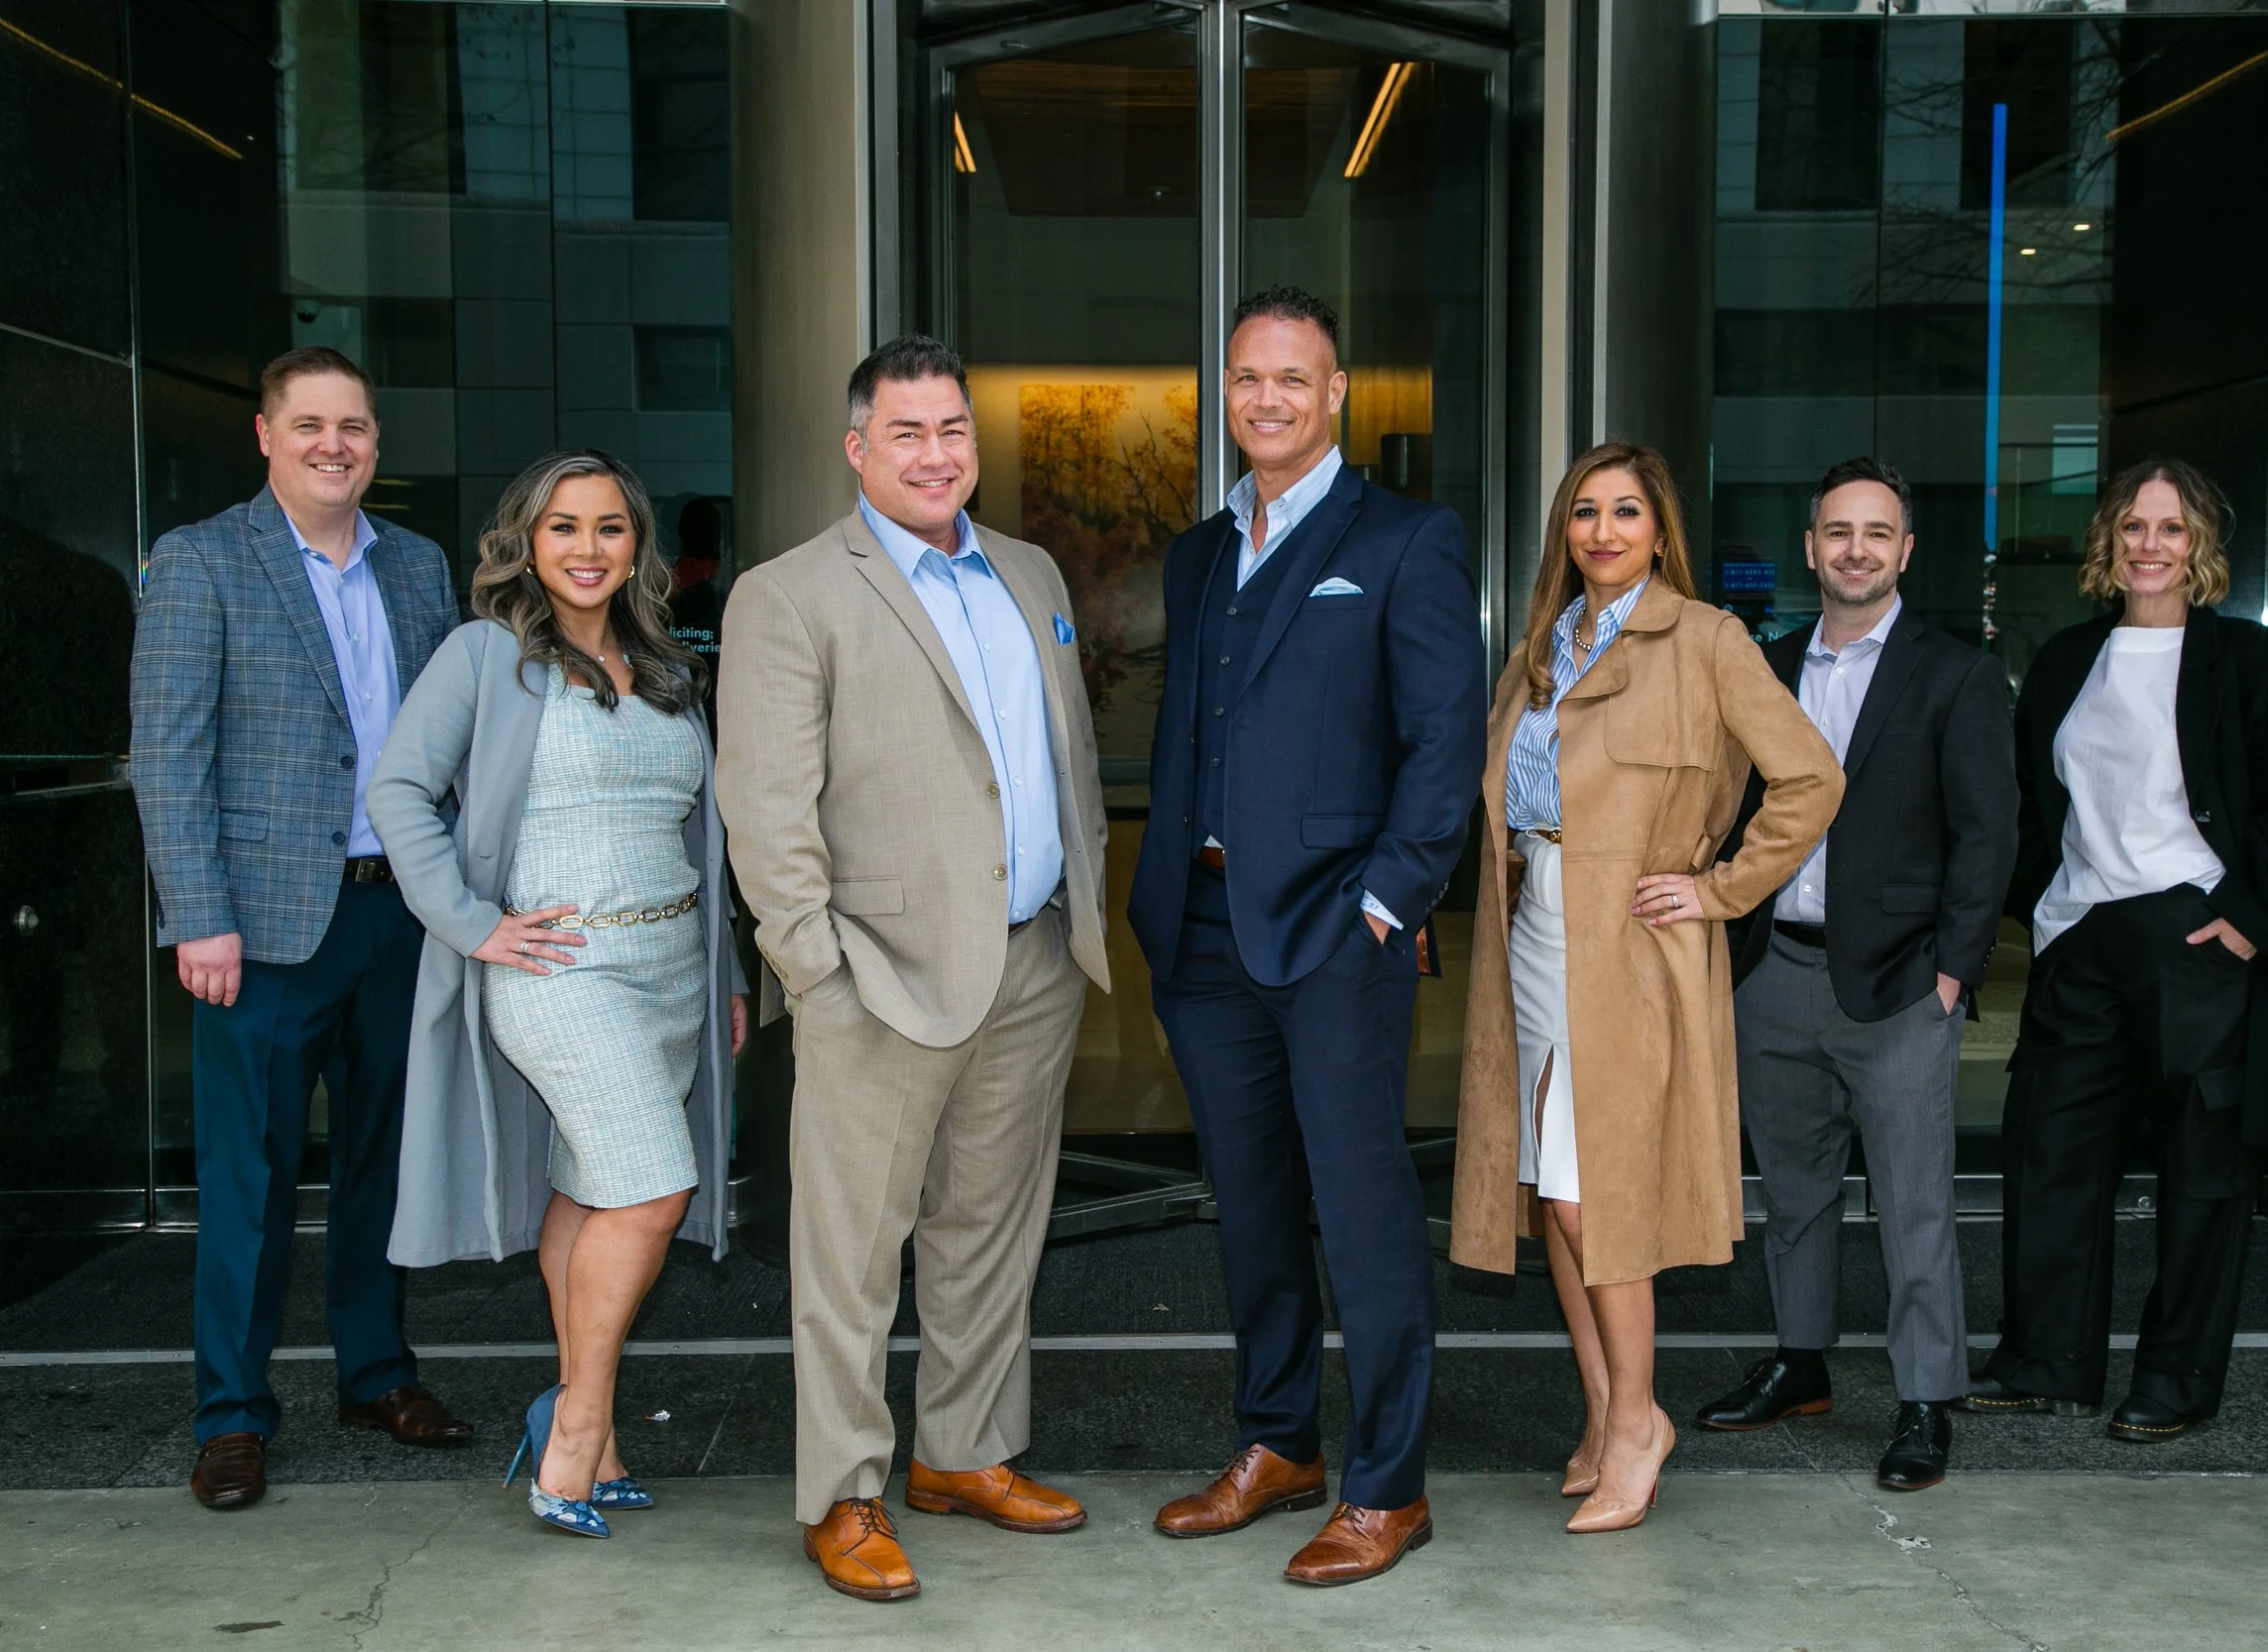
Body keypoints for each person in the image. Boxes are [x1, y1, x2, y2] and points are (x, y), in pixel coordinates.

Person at [717, 335, 1111, 1601]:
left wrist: (1076, 909)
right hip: (876, 977)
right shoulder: (788, 594)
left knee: (991, 1228)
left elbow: (1060, 758)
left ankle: (965, 1452)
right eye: (907, 432)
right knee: (851, 1253)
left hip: (1034, 959)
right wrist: (815, 972)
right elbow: (765, 809)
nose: (935, 453)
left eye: (951, 430)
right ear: (856, 449)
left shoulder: (1031, 568)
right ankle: (843, 1490)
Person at [1130, 286, 1487, 1587]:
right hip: (1208, 931)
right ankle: (1277, 1440)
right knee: (1255, 1209)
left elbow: (1446, 743)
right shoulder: (1199, 551)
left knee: (1363, 1209)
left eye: (1294, 377)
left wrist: (1388, 900)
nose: (1267, 398)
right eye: (1245, 379)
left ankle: (1387, 1484)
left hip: (1340, 928)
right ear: (1223, 394)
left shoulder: (1405, 537)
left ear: (1337, 393)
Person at [1449, 440, 1841, 1533]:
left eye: (1626, 511)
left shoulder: (1707, 639)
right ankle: (1602, 1411)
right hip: (1535, 934)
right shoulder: (1540, 647)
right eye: (1584, 511)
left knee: (1591, 1197)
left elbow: (1811, 776)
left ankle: (1638, 1421)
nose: (1604, 530)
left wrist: (1720, 889)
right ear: (1563, 532)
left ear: (1661, 529)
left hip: (1628, 945)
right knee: (1551, 1193)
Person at [368, 450, 747, 1538]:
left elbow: (696, 836)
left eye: (610, 528)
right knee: (651, 1186)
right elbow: (397, 789)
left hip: (669, 969)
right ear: (526, 541)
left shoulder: (667, 664)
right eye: (564, 527)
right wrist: (474, 922)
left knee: (588, 1196)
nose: (587, 549)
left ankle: (590, 1424)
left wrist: (722, 973)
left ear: (640, 546)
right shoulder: (485, 655)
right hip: (557, 966)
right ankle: (577, 1424)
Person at [129, 346, 473, 1512]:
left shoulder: (420, 566)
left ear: (377, 442)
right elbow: (170, 756)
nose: (338, 443)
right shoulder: (200, 561)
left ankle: (377, 1372)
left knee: (384, 1163)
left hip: (398, 917)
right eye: (313, 423)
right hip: (263, 932)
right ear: (266, 434)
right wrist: (198, 916)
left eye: (357, 426)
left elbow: (451, 748)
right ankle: (231, 1413)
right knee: (250, 1180)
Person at [1964, 458, 2268, 1442]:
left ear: (2201, 545)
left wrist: (2246, 922)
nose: (2148, 544)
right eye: (2132, 525)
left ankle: (2176, 1374)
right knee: (2048, 1142)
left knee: (2202, 1165)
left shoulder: (2251, 663)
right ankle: (2047, 1356)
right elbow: (2030, 799)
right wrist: (2040, 897)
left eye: (2169, 528)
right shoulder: (2063, 660)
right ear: (2107, 540)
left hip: (2194, 934)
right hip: (2081, 934)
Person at [1690, 457, 2015, 1493]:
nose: (1856, 549)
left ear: (1905, 550)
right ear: (1810, 546)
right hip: (1774, 971)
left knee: (1913, 1201)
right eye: (1838, 530)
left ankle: (1926, 1397)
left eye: (1877, 532)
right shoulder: (1765, 665)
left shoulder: (1954, 673)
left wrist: (1954, 974)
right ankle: (1800, 1361)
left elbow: (1987, 835)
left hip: (1902, 984)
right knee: (1790, 1191)